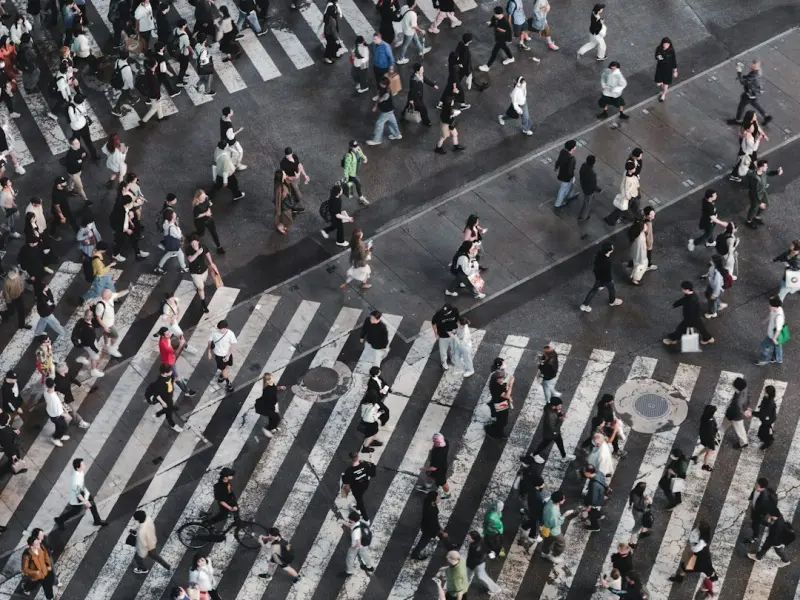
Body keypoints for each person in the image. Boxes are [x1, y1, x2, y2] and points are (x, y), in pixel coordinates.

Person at [54, 458, 108, 527]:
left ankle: (97, 520)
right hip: (78, 495)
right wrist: (85, 501)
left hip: (82, 492)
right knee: (77, 510)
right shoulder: (76, 479)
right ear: (78, 467)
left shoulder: (80, 472)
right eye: (83, 464)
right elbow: (78, 494)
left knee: (90, 505)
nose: (84, 465)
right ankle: (60, 520)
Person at [662, 281, 715, 346]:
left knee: (681, 328)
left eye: (683, 289)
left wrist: (689, 323)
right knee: (700, 327)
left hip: (690, 319)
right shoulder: (691, 295)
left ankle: (673, 339)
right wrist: (676, 304)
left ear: (687, 290)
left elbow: (689, 311)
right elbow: (684, 300)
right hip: (695, 317)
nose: (682, 290)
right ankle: (708, 338)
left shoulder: (690, 301)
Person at [669, 522, 718, 588]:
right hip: (697, 555)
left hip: (699, 558)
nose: (697, 527)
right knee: (686, 566)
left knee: (687, 567)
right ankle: (679, 578)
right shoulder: (702, 537)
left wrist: (689, 549)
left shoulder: (700, 544)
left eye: (699, 527)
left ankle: (679, 578)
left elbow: (694, 548)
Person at [530, 396, 574, 463]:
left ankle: (564, 456)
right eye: (559, 406)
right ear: (554, 406)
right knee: (544, 444)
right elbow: (553, 428)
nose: (560, 407)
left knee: (559, 443)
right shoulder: (551, 416)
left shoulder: (549, 408)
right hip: (551, 434)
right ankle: (534, 454)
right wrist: (561, 420)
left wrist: (559, 414)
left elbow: (555, 414)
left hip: (554, 433)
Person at [728, 58, 772, 125]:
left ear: (757, 66)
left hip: (750, 92)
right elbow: (749, 78)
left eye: (753, 66)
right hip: (755, 91)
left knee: (742, 105)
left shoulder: (754, 74)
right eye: (752, 65)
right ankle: (766, 116)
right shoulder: (758, 71)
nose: (751, 67)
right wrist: (743, 77)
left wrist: (739, 72)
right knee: (754, 103)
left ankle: (738, 120)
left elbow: (743, 82)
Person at [155, 326, 196, 396]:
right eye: (167, 334)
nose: (169, 334)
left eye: (169, 332)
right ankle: (187, 391)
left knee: (171, 376)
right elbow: (176, 352)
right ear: (163, 335)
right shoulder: (165, 345)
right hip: (169, 362)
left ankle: (168, 381)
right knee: (176, 377)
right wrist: (181, 344)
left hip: (169, 359)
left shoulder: (163, 337)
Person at [131, 510, 172, 574]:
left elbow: (142, 544)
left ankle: (143, 569)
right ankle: (168, 567)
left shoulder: (141, 533)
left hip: (147, 546)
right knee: (155, 556)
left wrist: (141, 553)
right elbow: (143, 527)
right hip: (152, 541)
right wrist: (135, 531)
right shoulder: (148, 519)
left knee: (137, 558)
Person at [410, 490, 448, 559]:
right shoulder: (431, 510)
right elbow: (434, 523)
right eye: (437, 497)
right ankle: (415, 554)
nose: (439, 498)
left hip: (427, 525)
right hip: (430, 529)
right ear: (433, 500)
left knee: (442, 536)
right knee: (423, 542)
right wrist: (440, 530)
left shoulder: (428, 501)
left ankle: (450, 546)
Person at [746, 159, 783, 228]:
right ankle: (749, 221)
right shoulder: (755, 179)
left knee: (766, 204)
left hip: (762, 191)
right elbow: (755, 192)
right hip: (755, 196)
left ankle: (756, 216)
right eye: (766, 166)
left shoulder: (763, 172)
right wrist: (760, 202)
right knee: (754, 208)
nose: (767, 167)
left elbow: (769, 172)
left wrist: (777, 172)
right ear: (761, 167)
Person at [367, 76, 402, 146]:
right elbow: (380, 95)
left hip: (386, 111)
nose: (380, 84)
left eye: (381, 83)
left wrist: (375, 105)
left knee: (379, 124)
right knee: (392, 122)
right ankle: (397, 134)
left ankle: (377, 140)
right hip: (389, 110)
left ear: (384, 85)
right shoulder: (385, 88)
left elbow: (380, 99)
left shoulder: (386, 94)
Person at [341, 451, 376, 520]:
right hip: (365, 485)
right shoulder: (364, 465)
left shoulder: (349, 471)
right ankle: (358, 507)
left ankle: (366, 518)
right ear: (357, 457)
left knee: (360, 501)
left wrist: (343, 475)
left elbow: (346, 481)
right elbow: (372, 473)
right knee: (359, 498)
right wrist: (371, 460)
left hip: (356, 489)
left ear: (351, 458)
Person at [540, 490, 574, 563]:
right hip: (554, 531)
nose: (564, 499)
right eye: (563, 499)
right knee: (561, 543)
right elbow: (555, 524)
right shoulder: (553, 512)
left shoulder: (551, 501)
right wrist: (564, 515)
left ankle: (544, 552)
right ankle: (554, 555)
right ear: (558, 501)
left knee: (548, 540)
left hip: (547, 527)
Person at [186, 235, 216, 315]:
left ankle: (197, 285)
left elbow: (207, 253)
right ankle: (203, 305)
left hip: (204, 270)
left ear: (198, 242)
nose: (193, 245)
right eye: (192, 244)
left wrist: (211, 263)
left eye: (195, 243)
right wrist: (197, 253)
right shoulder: (188, 250)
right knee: (201, 287)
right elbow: (190, 260)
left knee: (203, 282)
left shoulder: (203, 247)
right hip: (195, 273)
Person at [478, 6, 513, 72]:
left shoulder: (505, 22)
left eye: (495, 13)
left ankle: (487, 66)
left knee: (494, 52)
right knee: (504, 47)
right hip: (498, 37)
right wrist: (490, 24)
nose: (494, 14)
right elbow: (493, 23)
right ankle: (511, 57)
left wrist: (509, 40)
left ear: (500, 14)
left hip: (502, 39)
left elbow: (509, 32)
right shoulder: (495, 17)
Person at [416, 432, 451, 498]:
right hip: (441, 466)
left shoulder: (438, 454)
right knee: (429, 476)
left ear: (438, 442)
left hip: (439, 471)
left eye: (434, 441)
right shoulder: (446, 442)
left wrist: (425, 468)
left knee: (442, 482)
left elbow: (434, 468)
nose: (433, 442)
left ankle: (447, 494)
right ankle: (427, 489)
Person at [744, 477, 778, 544]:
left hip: (759, 514)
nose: (755, 485)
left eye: (757, 484)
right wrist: (751, 498)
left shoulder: (764, 499)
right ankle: (769, 524)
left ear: (761, 487)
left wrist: (769, 515)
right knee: (756, 521)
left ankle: (755, 537)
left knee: (755, 525)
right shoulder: (757, 489)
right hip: (755, 510)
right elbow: (753, 494)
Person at [151, 363, 183, 432]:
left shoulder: (168, 376)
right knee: (169, 414)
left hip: (169, 397)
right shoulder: (159, 383)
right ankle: (173, 425)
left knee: (169, 408)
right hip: (165, 400)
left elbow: (171, 381)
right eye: (170, 371)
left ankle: (158, 414)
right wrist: (163, 403)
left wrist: (174, 379)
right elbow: (156, 394)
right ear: (165, 373)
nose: (172, 372)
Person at [720, 376, 750, 449]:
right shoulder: (745, 390)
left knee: (724, 426)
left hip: (735, 415)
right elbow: (748, 399)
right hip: (740, 413)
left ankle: (717, 436)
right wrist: (745, 409)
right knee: (740, 428)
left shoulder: (737, 401)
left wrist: (730, 416)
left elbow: (736, 410)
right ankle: (743, 442)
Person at [342, 511, 375, 576]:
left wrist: (352, 547)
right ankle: (369, 566)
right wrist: (343, 522)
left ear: (353, 521)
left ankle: (349, 571)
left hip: (359, 543)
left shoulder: (355, 532)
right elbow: (352, 525)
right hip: (366, 542)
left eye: (350, 520)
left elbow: (358, 544)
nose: (349, 521)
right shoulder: (360, 523)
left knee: (350, 556)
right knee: (364, 553)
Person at [208, 320, 237, 393]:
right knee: (224, 369)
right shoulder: (214, 331)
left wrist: (228, 355)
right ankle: (227, 380)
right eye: (218, 328)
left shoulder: (230, 334)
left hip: (227, 354)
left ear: (225, 328)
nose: (218, 330)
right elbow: (210, 341)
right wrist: (209, 351)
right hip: (219, 355)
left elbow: (233, 345)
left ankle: (225, 378)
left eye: (220, 329)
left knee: (225, 368)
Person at [67, 94, 99, 160]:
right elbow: (73, 120)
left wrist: (83, 114)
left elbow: (84, 109)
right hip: (76, 128)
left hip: (84, 126)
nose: (83, 101)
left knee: (88, 142)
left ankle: (94, 156)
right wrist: (79, 115)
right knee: (77, 144)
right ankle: (80, 155)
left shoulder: (81, 102)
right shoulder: (71, 108)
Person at [255, 372, 285, 438]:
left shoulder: (271, 385)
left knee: (272, 418)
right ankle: (267, 429)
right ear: (268, 381)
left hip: (270, 406)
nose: (273, 378)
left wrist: (279, 388)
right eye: (272, 378)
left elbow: (274, 388)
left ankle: (272, 428)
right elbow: (271, 400)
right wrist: (276, 407)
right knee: (276, 418)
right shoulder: (268, 390)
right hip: (268, 407)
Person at [690, 405, 719, 472]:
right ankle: (705, 465)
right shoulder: (710, 422)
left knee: (707, 448)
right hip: (709, 439)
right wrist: (712, 444)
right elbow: (710, 434)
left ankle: (696, 457)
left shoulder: (704, 416)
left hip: (704, 437)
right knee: (709, 452)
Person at [431, 303, 459, 370]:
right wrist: (436, 333)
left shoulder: (455, 310)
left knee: (454, 350)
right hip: (443, 336)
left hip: (453, 335)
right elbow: (433, 323)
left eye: (446, 313)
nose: (445, 314)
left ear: (450, 311)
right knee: (443, 352)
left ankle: (453, 360)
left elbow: (457, 320)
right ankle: (444, 363)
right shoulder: (439, 314)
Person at [342, 140, 369, 205]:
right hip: (351, 174)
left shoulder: (358, 149)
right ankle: (361, 197)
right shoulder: (348, 156)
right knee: (358, 183)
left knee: (349, 183)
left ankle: (343, 185)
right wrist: (346, 176)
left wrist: (364, 158)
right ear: (351, 147)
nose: (357, 147)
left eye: (357, 145)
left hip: (355, 171)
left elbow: (362, 155)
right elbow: (346, 168)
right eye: (355, 146)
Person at [583, 464, 607, 532]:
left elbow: (593, 499)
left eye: (585, 472)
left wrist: (588, 507)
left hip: (596, 502)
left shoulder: (594, 485)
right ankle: (599, 515)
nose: (584, 474)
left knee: (592, 515)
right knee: (596, 511)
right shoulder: (599, 472)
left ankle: (595, 527)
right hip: (601, 495)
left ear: (588, 473)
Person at [577, 155, 602, 221]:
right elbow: (593, 186)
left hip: (584, 185)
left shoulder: (583, 165)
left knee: (587, 201)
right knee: (587, 204)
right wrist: (599, 189)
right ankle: (583, 217)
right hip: (588, 191)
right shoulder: (592, 174)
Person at [628, 481, 652, 546]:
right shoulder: (640, 499)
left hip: (636, 510)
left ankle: (644, 531)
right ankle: (631, 542)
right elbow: (645, 507)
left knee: (642, 522)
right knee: (637, 527)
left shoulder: (634, 492)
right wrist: (648, 502)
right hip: (639, 513)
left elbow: (632, 500)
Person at [753, 385, 777, 449]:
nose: (763, 392)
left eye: (765, 391)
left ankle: (768, 442)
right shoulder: (768, 399)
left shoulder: (769, 404)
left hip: (767, 420)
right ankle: (769, 436)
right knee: (766, 428)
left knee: (763, 431)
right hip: (770, 418)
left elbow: (762, 414)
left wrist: (752, 413)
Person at [654, 37, 678, 101]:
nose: (666, 45)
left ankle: (663, 94)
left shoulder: (671, 51)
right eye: (665, 44)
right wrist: (658, 57)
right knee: (658, 83)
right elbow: (656, 56)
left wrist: (675, 71)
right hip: (660, 68)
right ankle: (663, 88)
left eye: (668, 44)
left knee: (666, 83)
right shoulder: (659, 48)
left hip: (668, 69)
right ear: (662, 44)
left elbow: (674, 60)